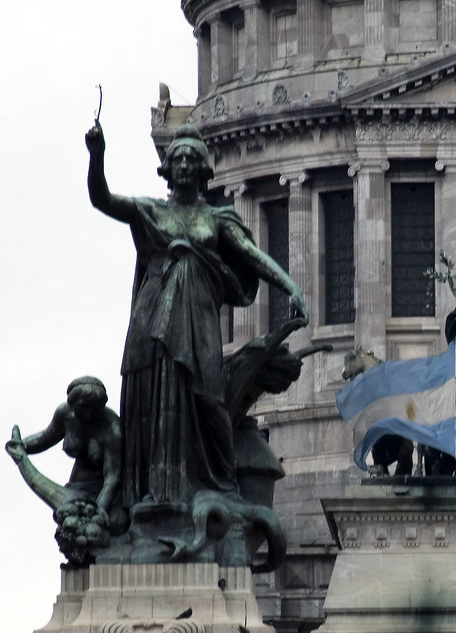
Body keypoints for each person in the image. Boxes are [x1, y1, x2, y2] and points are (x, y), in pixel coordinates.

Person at [85, 122, 307, 509]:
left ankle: (221, 484)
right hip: (152, 317)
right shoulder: (149, 210)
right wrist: (97, 155)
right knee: (151, 405)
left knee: (208, 398)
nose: (185, 164)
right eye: (178, 158)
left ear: (204, 171)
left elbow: (251, 256)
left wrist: (289, 285)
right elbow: (101, 199)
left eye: (192, 158)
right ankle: (152, 494)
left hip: (199, 318)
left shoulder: (217, 219)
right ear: (167, 169)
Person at [5, 376, 124, 534]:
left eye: (94, 408)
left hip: (105, 491)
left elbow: (112, 478)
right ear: (73, 405)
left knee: (108, 526)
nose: (88, 413)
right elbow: (46, 438)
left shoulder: (113, 430)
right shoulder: (65, 414)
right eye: (83, 407)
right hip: (77, 485)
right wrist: (21, 446)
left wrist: (97, 510)